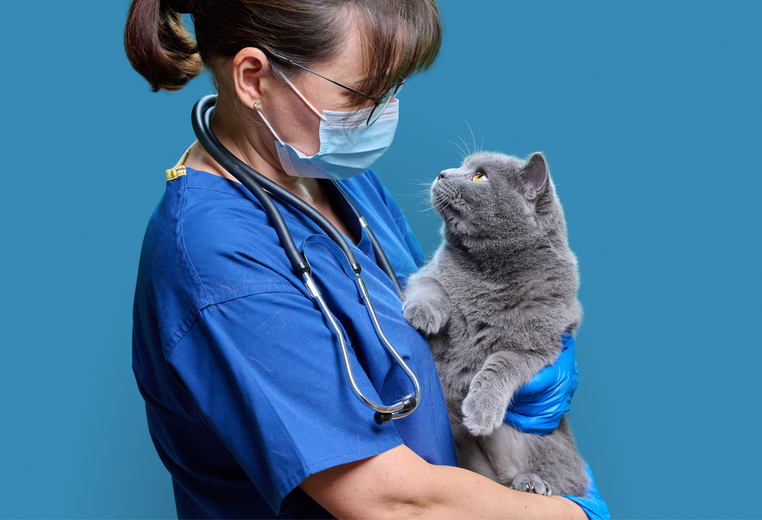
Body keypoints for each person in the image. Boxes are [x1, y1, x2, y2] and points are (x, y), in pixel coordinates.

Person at [124, 0, 609, 518]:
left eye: (391, 88)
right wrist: (569, 514)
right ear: (252, 78)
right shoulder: (217, 260)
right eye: (362, 93)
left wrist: (519, 365)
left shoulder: (336, 180)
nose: (383, 111)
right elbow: (388, 501)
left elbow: (426, 337)